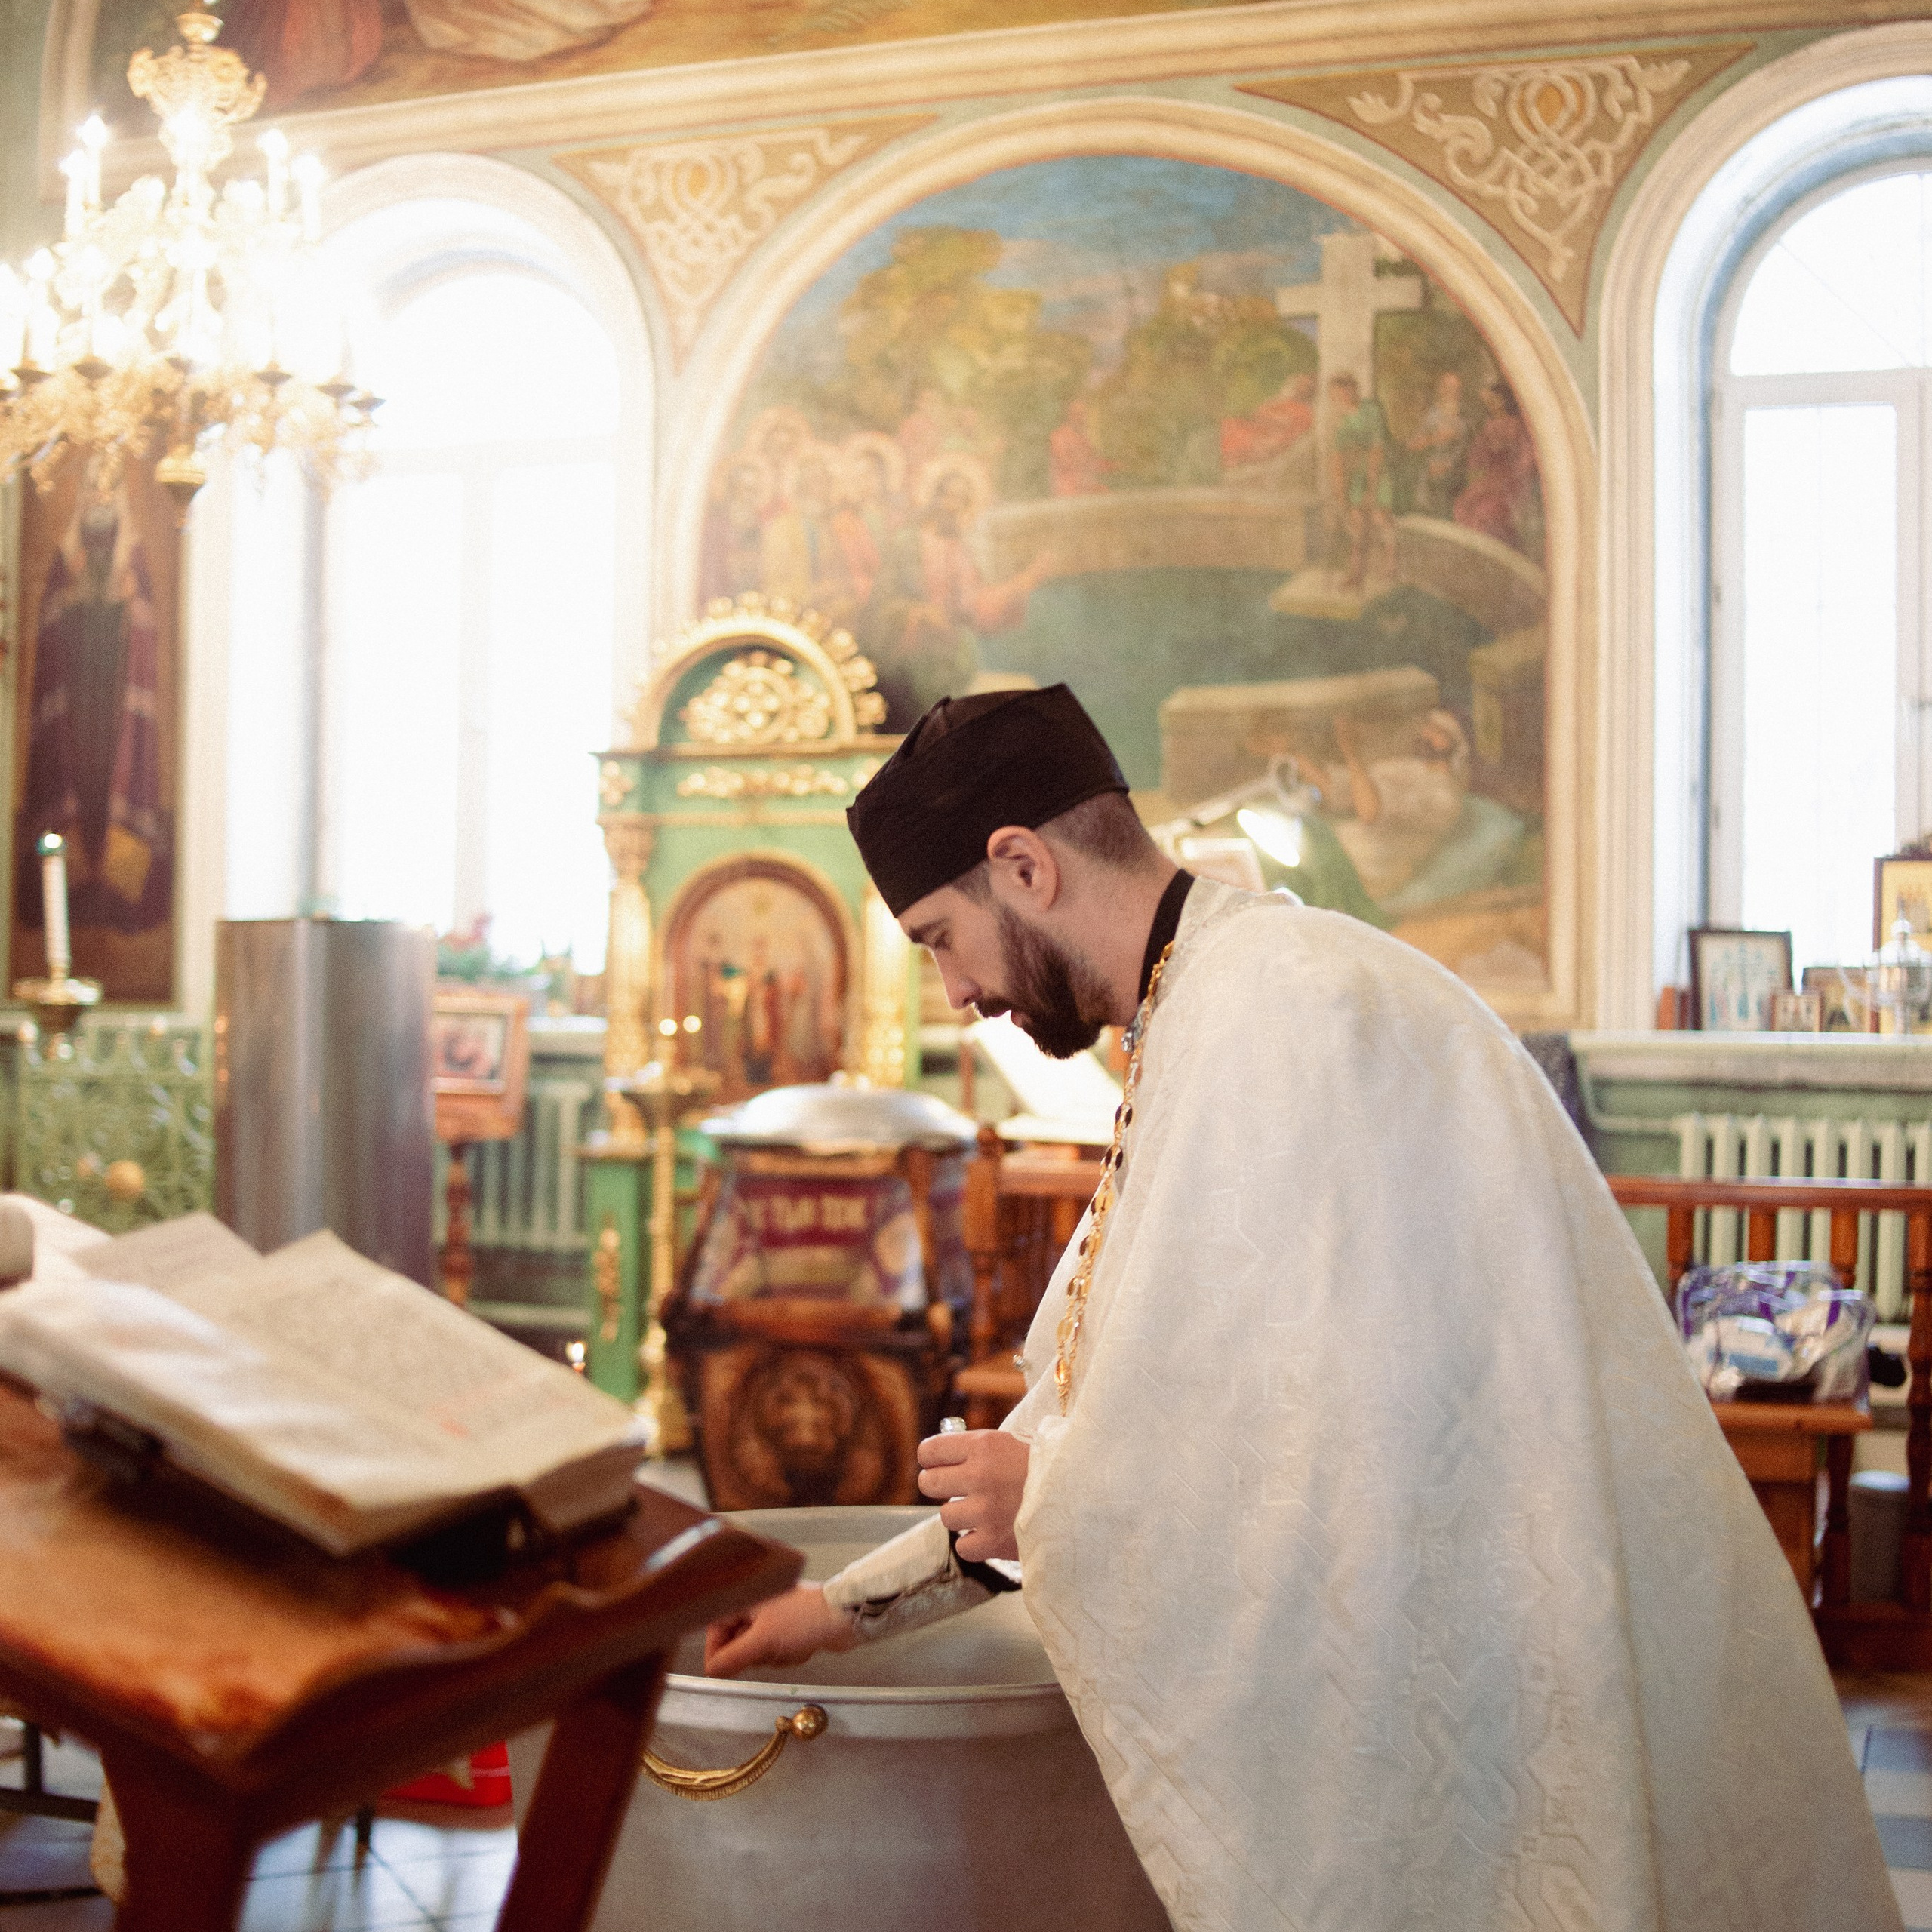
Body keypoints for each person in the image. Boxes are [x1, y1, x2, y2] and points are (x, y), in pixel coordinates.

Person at [704, 682, 1900, 1932]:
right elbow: (1117, 1427)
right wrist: (834, 1613)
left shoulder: (1291, 1021)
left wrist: (1047, 1498)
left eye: (941, 937)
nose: (953, 990)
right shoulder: (1216, 1007)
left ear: (1023, 866)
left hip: (1497, 1689)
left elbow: (1350, 1480)